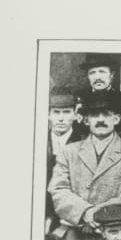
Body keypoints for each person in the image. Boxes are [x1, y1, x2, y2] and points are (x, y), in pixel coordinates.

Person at [49, 88, 121, 240]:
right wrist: (85, 211)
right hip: (75, 238)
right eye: (95, 115)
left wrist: (98, 214)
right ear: (86, 120)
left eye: (106, 114)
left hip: (114, 239)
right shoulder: (69, 151)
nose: (101, 120)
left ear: (116, 119)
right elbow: (58, 190)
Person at [46, 86, 86, 228]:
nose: (61, 118)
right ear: (48, 115)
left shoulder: (84, 143)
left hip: (71, 220)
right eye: (56, 112)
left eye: (67, 112)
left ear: (75, 114)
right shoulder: (37, 141)